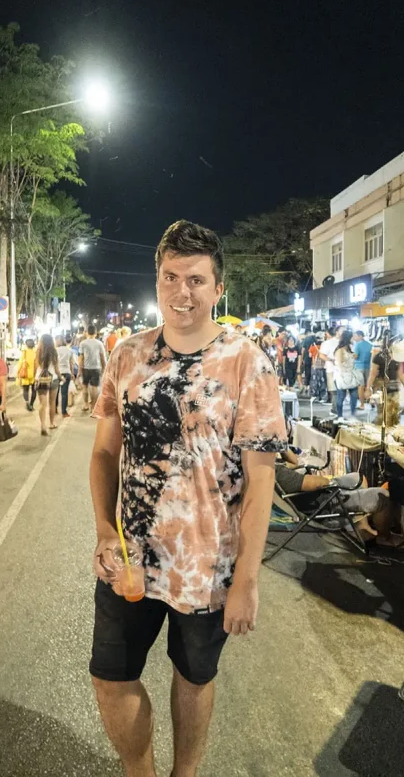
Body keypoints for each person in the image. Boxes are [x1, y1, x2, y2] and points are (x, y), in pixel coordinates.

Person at [89, 219, 287, 777]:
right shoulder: (126, 356)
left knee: (194, 678)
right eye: (172, 277)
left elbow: (261, 479)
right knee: (110, 677)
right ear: (157, 282)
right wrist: (106, 529)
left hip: (208, 568)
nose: (183, 291)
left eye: (197, 280)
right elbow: (105, 454)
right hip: (129, 559)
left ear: (218, 289)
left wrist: (246, 580)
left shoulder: (248, 361)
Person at [275, 449, 404, 547]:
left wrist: (281, 445)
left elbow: (294, 462)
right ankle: (384, 538)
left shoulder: (269, 466)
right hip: (326, 504)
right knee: (383, 496)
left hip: (318, 495)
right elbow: (315, 483)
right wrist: (327, 480)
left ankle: (359, 526)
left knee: (359, 477)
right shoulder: (279, 473)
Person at [366, 337, 404, 427]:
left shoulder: (399, 357)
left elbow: (401, 375)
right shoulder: (379, 357)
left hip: (394, 387)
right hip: (381, 387)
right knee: (383, 414)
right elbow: (373, 374)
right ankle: (380, 433)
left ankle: (393, 435)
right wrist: (368, 388)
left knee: (395, 413)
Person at [35, 334, 62, 436]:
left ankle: (42, 425)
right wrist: (61, 377)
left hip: (41, 379)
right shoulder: (54, 352)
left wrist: (35, 377)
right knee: (52, 402)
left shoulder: (38, 351)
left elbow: (37, 365)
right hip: (53, 379)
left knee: (42, 404)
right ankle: (52, 423)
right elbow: (56, 369)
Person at [79, 325, 107, 413]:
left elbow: (81, 357)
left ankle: (85, 404)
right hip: (96, 368)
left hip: (86, 368)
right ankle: (93, 406)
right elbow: (102, 357)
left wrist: (80, 369)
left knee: (85, 386)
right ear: (95, 333)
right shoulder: (99, 343)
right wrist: (104, 368)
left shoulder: (83, 343)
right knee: (95, 388)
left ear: (87, 332)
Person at [334, 329, 360, 422]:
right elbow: (339, 364)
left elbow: (354, 357)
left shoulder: (349, 349)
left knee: (354, 396)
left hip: (351, 375)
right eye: (352, 337)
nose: (354, 338)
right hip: (342, 376)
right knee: (341, 396)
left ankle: (352, 415)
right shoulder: (340, 351)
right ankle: (340, 415)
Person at [319, 327, 340, 411]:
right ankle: (337, 407)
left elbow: (321, 355)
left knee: (334, 390)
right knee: (337, 389)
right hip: (336, 368)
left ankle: (335, 408)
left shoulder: (327, 343)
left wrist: (331, 360)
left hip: (333, 369)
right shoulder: (330, 343)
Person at [55, 334, 75, 418]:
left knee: (55, 392)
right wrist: (72, 373)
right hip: (66, 373)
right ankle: (64, 412)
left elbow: (53, 363)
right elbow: (71, 363)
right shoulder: (69, 350)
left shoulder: (55, 350)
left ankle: (54, 409)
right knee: (64, 393)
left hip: (57, 373)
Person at [353, 330, 373, 410]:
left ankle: (362, 405)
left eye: (355, 336)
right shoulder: (370, 345)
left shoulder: (357, 345)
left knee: (360, 386)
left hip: (359, 367)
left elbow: (356, 356)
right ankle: (371, 401)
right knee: (369, 385)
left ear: (360, 336)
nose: (354, 338)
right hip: (368, 367)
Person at [17, 338, 37, 411]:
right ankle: (31, 404)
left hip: (25, 374)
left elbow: (20, 364)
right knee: (34, 390)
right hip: (34, 374)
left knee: (25, 390)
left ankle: (27, 402)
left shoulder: (24, 353)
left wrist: (18, 372)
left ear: (26, 345)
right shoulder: (36, 353)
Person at [309, 332, 327, 401]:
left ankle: (314, 395)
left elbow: (310, 355)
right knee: (323, 381)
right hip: (323, 366)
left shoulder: (313, 346)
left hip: (314, 366)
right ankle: (322, 396)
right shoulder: (324, 345)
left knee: (314, 381)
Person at [300, 324, 316, 393]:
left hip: (307, 359)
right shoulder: (316, 338)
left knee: (307, 373)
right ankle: (312, 387)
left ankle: (307, 387)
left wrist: (302, 359)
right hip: (315, 359)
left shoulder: (306, 339)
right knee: (314, 373)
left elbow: (303, 350)